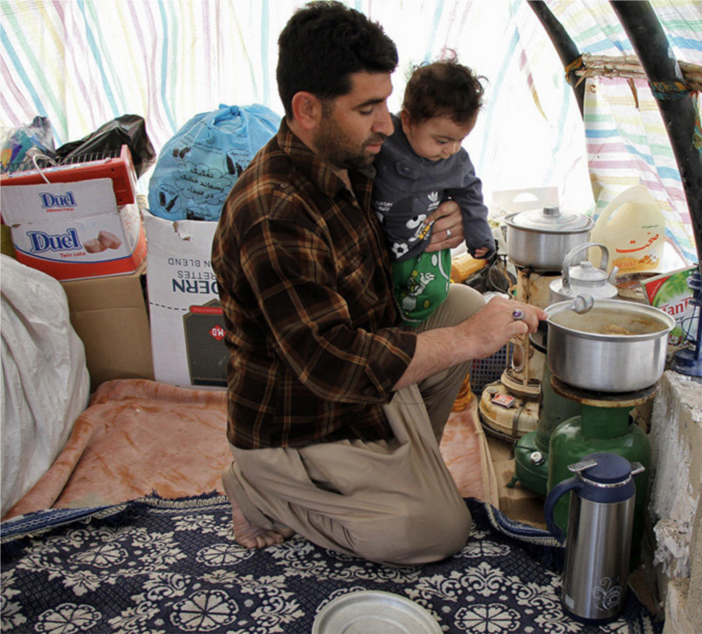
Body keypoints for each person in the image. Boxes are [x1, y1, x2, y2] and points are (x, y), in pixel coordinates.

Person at [210, 0, 543, 565]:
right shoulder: (275, 213)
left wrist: (447, 221)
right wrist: (470, 341)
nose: (388, 124)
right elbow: (333, 365)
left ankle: (396, 470)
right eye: (368, 108)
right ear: (307, 109)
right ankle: (260, 485)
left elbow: (422, 206)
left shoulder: (357, 159)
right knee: (438, 530)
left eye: (386, 102)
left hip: (361, 390)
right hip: (305, 419)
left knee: (461, 301)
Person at [372, 57, 495, 327]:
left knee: (431, 293)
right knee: (382, 303)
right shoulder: (381, 143)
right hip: (381, 251)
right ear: (407, 121)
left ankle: (412, 333)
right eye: (442, 140)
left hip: (425, 248)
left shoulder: (456, 160)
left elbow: (470, 194)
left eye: (460, 140)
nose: (451, 150)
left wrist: (479, 234)